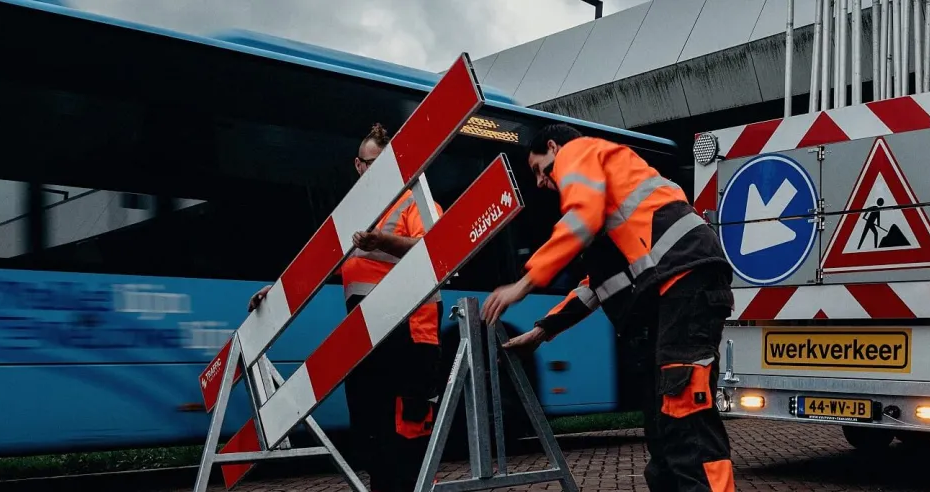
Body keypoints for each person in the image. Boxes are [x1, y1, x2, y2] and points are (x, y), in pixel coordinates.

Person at [481, 124, 736, 492]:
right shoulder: (612, 203)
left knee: (685, 418)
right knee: (663, 427)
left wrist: (523, 285)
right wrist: (541, 331)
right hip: (679, 288)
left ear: (554, 147)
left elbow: (578, 221)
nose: (539, 182)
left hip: (686, 282)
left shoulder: (579, 152)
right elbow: (596, 286)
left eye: (540, 169)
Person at [248, 123, 443, 492]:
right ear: (357, 165)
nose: (375, 172)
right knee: (371, 427)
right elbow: (317, 266)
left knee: (409, 429)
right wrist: (275, 292)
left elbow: (437, 248)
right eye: (370, 164)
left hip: (410, 333)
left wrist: (381, 240)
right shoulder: (350, 214)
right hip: (365, 336)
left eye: (384, 164)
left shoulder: (415, 200)